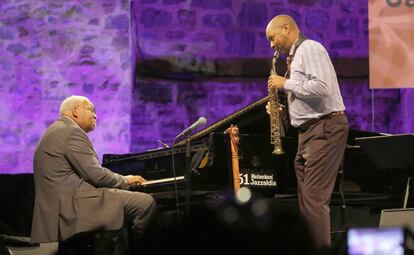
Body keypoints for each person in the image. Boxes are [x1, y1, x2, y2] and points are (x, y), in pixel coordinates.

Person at [30, 95, 157, 251]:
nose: (95, 115)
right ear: (75, 111)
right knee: (145, 203)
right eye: (91, 110)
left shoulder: (55, 130)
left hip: (58, 209)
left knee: (124, 203)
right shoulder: (71, 132)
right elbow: (96, 175)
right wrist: (125, 180)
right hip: (74, 207)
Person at [266, 15, 349, 249]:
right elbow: (307, 94)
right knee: (307, 202)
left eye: (272, 39)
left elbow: (322, 87)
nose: (272, 45)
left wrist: (285, 84)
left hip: (324, 128)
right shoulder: (295, 56)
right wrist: (283, 110)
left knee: (313, 200)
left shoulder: (309, 48)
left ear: (286, 28)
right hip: (309, 132)